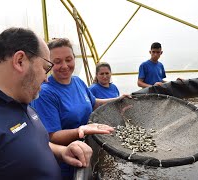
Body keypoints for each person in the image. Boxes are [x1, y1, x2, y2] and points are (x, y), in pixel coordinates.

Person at [0, 27, 95, 180]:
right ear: (20, 61)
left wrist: (62, 152)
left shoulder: (18, 97)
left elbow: (30, 144)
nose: (46, 79)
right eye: (45, 68)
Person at [30, 38, 128, 179]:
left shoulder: (78, 81)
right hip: (66, 160)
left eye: (68, 59)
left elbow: (93, 103)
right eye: (57, 62)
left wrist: (117, 100)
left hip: (88, 151)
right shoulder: (46, 93)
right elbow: (51, 137)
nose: (64, 65)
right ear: (49, 64)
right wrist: (80, 131)